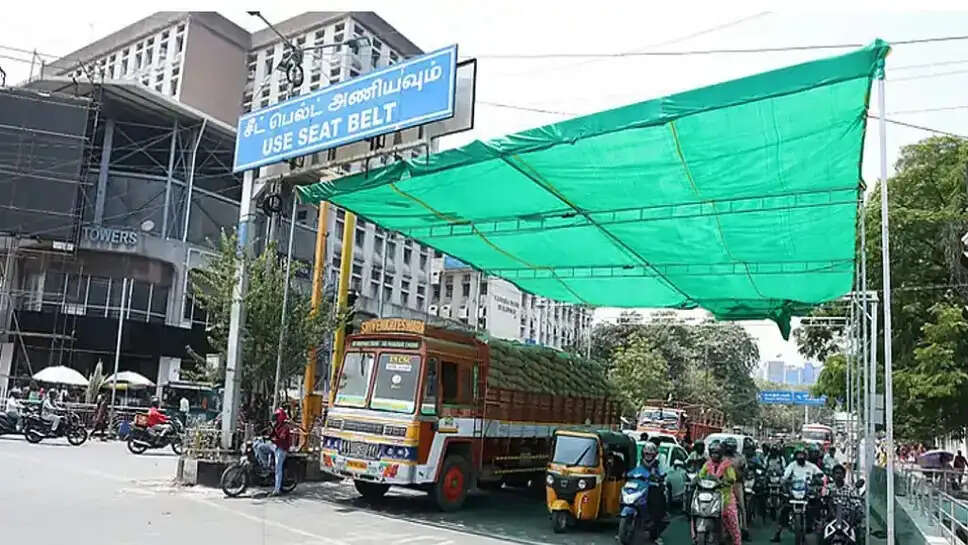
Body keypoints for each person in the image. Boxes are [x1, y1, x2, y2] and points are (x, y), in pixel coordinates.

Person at [772, 447, 824, 542]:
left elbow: (821, 474)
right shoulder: (792, 465)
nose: (800, 457)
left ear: (805, 456)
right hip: (794, 491)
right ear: (795, 456)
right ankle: (777, 533)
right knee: (784, 510)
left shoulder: (811, 466)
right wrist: (783, 481)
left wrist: (819, 479)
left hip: (807, 492)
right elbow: (785, 476)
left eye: (802, 455)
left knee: (817, 505)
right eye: (798, 455)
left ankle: (817, 527)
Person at [697, 442, 741, 545]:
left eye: (716, 453)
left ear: (721, 453)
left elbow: (732, 478)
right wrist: (695, 479)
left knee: (733, 523)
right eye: (712, 453)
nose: (714, 455)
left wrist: (726, 481)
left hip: (726, 499)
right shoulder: (707, 464)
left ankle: (737, 542)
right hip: (711, 498)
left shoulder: (727, 464)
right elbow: (700, 475)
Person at [629, 441, 670, 539]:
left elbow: (664, 473)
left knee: (657, 501)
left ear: (654, 455)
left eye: (650, 454)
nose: (648, 456)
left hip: (653, 487)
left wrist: (659, 477)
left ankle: (654, 523)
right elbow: (636, 471)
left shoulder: (659, 463)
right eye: (646, 454)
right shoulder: (640, 462)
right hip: (641, 487)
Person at [255, 407, 293, 496]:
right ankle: (266, 466)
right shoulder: (276, 425)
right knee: (260, 447)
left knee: (278, 468)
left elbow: (281, 439)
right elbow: (270, 434)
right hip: (274, 446)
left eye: (276, 417)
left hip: (281, 448)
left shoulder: (285, 428)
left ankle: (277, 490)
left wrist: (272, 439)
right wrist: (263, 437)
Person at [724, 437, 749, 540]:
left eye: (731, 447)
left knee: (742, 506)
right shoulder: (722, 457)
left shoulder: (740, 457)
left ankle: (745, 529)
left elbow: (745, 470)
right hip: (724, 484)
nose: (730, 448)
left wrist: (742, 472)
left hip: (737, 483)